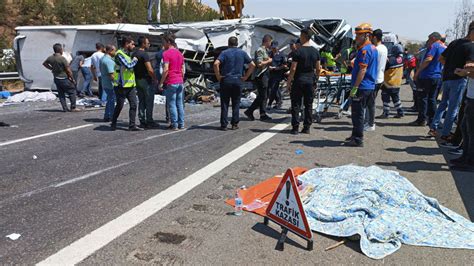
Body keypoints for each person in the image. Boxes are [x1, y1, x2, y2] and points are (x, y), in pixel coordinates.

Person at [428, 23, 474, 141]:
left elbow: (441, 58)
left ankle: (433, 128)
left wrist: (449, 67)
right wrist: (460, 71)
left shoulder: (455, 42)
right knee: (453, 107)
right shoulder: (470, 46)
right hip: (458, 80)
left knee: (443, 104)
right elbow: (469, 67)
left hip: (447, 78)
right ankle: (446, 133)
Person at [345, 23, 378, 147]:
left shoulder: (365, 50)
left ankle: (358, 139)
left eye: (359, 35)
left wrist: (355, 87)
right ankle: (355, 135)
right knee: (357, 113)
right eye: (357, 35)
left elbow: (363, 70)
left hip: (362, 87)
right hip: (368, 86)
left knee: (357, 114)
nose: (357, 37)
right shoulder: (372, 48)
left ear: (367, 35)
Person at [214, 36, 256, 130]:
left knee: (224, 103)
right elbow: (253, 64)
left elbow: (216, 64)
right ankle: (234, 124)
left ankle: (224, 124)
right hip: (238, 80)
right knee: (236, 103)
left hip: (226, 80)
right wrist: (245, 77)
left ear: (228, 44)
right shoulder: (242, 53)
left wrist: (218, 76)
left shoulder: (224, 53)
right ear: (237, 44)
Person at [287, 29, 321, 135]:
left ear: (303, 36)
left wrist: (289, 82)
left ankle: (295, 127)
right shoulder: (315, 51)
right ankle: (306, 127)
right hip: (310, 81)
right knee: (308, 104)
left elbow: (293, 69)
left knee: (296, 104)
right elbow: (318, 68)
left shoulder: (298, 51)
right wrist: (316, 79)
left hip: (299, 80)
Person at [410, 32, 446, 126]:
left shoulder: (434, 46)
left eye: (429, 39)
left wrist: (417, 72)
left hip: (427, 76)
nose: (428, 42)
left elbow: (428, 59)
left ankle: (422, 119)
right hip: (437, 76)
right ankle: (432, 120)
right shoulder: (443, 47)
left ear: (433, 38)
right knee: (432, 99)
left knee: (423, 98)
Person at [111, 36, 141, 131]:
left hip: (130, 85)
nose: (134, 46)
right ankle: (113, 122)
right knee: (120, 105)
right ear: (126, 44)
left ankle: (132, 125)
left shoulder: (128, 54)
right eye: (132, 44)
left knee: (134, 105)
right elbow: (128, 66)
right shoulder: (119, 54)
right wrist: (135, 60)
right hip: (121, 85)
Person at [450, 60, 474, 172]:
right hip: (470, 97)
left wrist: (467, 72)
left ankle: (470, 162)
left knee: (471, 131)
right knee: (464, 128)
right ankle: (465, 157)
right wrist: (466, 72)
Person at [244, 34, 273, 121]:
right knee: (262, 96)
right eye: (270, 42)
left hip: (265, 75)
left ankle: (262, 113)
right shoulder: (260, 50)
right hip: (261, 76)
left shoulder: (265, 50)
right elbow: (259, 63)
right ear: (267, 41)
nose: (271, 44)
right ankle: (250, 111)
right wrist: (269, 61)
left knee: (264, 95)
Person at [160, 33, 185, 130]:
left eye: (164, 42)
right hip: (180, 81)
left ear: (168, 42)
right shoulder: (179, 53)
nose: (163, 44)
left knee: (172, 104)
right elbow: (182, 69)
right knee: (179, 103)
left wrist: (161, 82)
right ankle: (181, 123)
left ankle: (174, 124)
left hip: (172, 80)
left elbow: (166, 69)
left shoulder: (166, 53)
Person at [42, 43, 78, 112]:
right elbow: (68, 70)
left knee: (61, 93)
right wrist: (72, 78)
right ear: (60, 50)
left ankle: (65, 108)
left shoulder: (50, 58)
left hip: (56, 78)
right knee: (72, 91)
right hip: (64, 78)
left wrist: (51, 68)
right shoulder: (62, 59)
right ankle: (73, 107)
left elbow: (44, 64)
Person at [133, 36, 159, 129]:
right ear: (143, 44)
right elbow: (149, 69)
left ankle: (142, 120)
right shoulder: (144, 55)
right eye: (148, 43)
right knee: (149, 101)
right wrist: (155, 78)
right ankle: (149, 120)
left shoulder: (134, 54)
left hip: (137, 79)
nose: (149, 44)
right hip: (146, 80)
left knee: (141, 101)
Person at [364, 29, 387, 131]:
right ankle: (368, 121)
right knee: (370, 102)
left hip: (375, 79)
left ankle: (370, 123)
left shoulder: (377, 49)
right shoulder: (384, 48)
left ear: (374, 37)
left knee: (370, 103)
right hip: (380, 77)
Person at [378, 43, 405, 119]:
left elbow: (384, 68)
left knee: (385, 97)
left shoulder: (391, 59)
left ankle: (386, 113)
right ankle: (400, 112)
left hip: (388, 82)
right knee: (396, 98)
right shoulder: (401, 59)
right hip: (397, 82)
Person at [100, 44, 117, 122]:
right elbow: (111, 75)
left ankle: (107, 115)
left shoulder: (102, 59)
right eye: (114, 50)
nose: (115, 52)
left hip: (104, 82)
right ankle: (111, 116)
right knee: (111, 100)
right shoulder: (108, 61)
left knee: (109, 99)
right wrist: (117, 83)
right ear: (110, 51)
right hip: (110, 83)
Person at [267, 41, 287, 109]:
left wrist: (277, 68)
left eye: (275, 48)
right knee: (272, 88)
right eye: (272, 48)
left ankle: (271, 103)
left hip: (277, 74)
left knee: (273, 88)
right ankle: (278, 101)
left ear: (277, 47)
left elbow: (284, 65)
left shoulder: (281, 55)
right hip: (269, 74)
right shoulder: (269, 54)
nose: (274, 49)